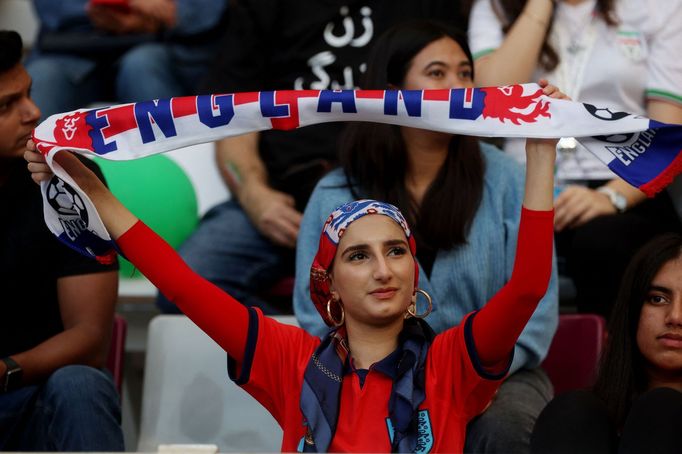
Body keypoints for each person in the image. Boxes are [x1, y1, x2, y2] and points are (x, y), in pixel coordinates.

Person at [25, 80, 564, 451]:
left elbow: (525, 289)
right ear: (327, 285)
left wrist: (540, 154)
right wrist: (93, 191)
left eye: (396, 251)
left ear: (414, 272)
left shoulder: (452, 362)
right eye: (359, 255)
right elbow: (182, 284)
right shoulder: (290, 360)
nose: (384, 268)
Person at [294, 21, 559, 453]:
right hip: (368, 371)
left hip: (497, 371)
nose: (458, 87)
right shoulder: (337, 193)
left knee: (502, 427)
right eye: (437, 74)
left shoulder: (509, 178)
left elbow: (538, 306)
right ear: (393, 90)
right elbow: (315, 312)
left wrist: (472, 376)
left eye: (465, 73)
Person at [156, 0, 470, 314]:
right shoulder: (266, 8)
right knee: (183, 287)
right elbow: (232, 114)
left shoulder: (425, 6)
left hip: (387, 189)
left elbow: (454, 86)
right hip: (284, 197)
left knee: (434, 290)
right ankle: (296, 347)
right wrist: (255, 194)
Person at [466, 0, 682, 316]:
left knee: (603, 242)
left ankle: (610, 361)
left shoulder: (657, 7)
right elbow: (492, 99)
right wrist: (539, 6)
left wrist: (610, 198)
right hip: (522, 180)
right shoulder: (496, 6)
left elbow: (667, 134)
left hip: (623, 177)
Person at [0, 31, 124, 451]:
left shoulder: (68, 177)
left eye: (28, 94)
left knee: (81, 385)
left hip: (30, 391)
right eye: (6, 106)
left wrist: (5, 372)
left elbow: (90, 339)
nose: (32, 112)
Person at [530, 232, 682, 454]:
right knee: (573, 412)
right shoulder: (580, 419)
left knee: (663, 408)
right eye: (657, 299)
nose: (676, 317)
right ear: (631, 311)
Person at [26, 0, 228, 119]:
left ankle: (169, 180)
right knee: (42, 78)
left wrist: (173, 12)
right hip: (80, 46)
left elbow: (206, 11)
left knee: (142, 67)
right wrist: (122, 6)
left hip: (167, 44)